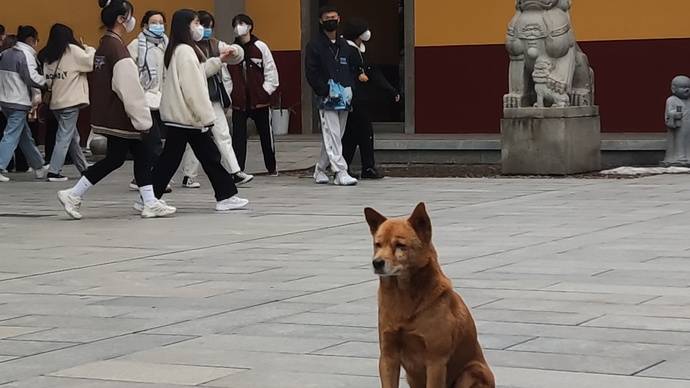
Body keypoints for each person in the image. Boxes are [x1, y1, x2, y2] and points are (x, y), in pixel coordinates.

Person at [58, 0, 176, 220]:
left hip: (112, 114)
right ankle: (74, 194)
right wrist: (142, 118)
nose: (131, 20)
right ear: (121, 19)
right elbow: (127, 87)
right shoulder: (118, 48)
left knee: (127, 157)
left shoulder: (105, 44)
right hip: (124, 115)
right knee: (140, 152)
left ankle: (148, 201)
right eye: (130, 16)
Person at [152, 9, 249, 212]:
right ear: (186, 26)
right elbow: (192, 89)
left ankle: (150, 196)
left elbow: (199, 72)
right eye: (196, 23)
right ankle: (225, 196)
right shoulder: (186, 51)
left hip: (182, 116)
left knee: (190, 157)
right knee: (199, 157)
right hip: (188, 117)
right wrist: (205, 117)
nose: (200, 28)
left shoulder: (180, 49)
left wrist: (219, 60)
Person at [179, 10, 254, 189]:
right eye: (203, 26)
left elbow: (236, 55)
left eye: (210, 27)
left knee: (223, 134)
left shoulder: (214, 44)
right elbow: (200, 72)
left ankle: (235, 172)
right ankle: (188, 175)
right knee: (195, 139)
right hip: (194, 99)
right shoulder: (187, 49)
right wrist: (217, 61)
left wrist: (233, 50)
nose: (207, 30)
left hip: (213, 98)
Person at [305, 5, 359, 186]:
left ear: (339, 19)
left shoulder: (345, 45)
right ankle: (340, 171)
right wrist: (324, 90)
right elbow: (311, 72)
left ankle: (320, 168)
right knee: (333, 133)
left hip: (345, 96)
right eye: (327, 17)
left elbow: (351, 69)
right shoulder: (314, 45)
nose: (331, 20)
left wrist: (350, 89)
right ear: (321, 21)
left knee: (335, 135)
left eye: (334, 17)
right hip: (326, 98)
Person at [342, 18, 399, 180]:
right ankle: (367, 167)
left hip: (363, 99)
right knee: (362, 133)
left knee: (354, 134)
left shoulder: (362, 50)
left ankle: (348, 166)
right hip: (354, 98)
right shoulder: (348, 50)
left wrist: (390, 90)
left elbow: (374, 73)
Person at [38, 23, 93, 182]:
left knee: (71, 137)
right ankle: (54, 171)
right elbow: (89, 63)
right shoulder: (73, 50)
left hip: (55, 102)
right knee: (64, 136)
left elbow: (47, 80)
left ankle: (84, 169)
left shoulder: (48, 54)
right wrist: (88, 48)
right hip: (70, 102)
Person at [126, 10, 171, 193]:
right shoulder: (136, 45)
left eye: (161, 22)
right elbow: (129, 72)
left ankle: (141, 177)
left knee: (152, 143)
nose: (158, 25)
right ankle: (155, 178)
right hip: (144, 99)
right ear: (144, 25)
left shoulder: (165, 44)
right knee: (154, 143)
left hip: (162, 99)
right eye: (154, 22)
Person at [229, 13, 279, 176]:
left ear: (250, 26)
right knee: (238, 138)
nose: (238, 27)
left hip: (260, 101)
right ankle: (239, 170)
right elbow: (226, 75)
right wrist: (232, 94)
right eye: (235, 24)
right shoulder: (231, 50)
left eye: (242, 23)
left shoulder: (260, 46)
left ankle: (271, 167)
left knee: (266, 136)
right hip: (239, 102)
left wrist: (266, 91)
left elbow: (271, 70)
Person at [0, 25, 48, 182]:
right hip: (18, 101)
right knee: (11, 135)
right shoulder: (25, 55)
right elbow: (31, 78)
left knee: (24, 136)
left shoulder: (5, 54)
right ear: (31, 40)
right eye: (36, 40)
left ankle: (39, 166)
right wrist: (47, 81)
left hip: (5, 100)